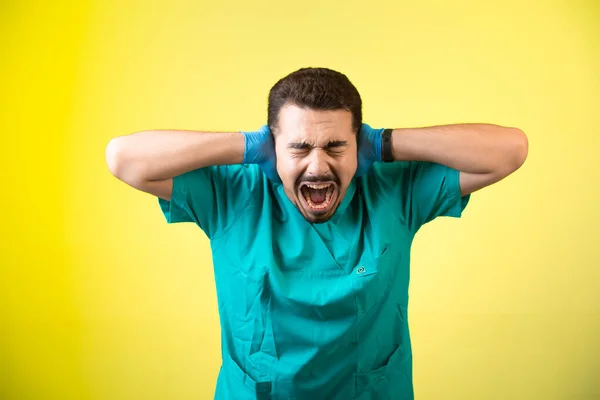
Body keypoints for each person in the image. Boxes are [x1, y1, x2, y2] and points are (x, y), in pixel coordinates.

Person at [105, 67, 528, 399]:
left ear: (357, 144)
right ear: (272, 147)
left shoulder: (394, 191)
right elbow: (123, 159)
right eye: (299, 147)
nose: (317, 166)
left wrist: (385, 144)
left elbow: (510, 150)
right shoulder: (231, 193)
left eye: (335, 146)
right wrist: (247, 146)